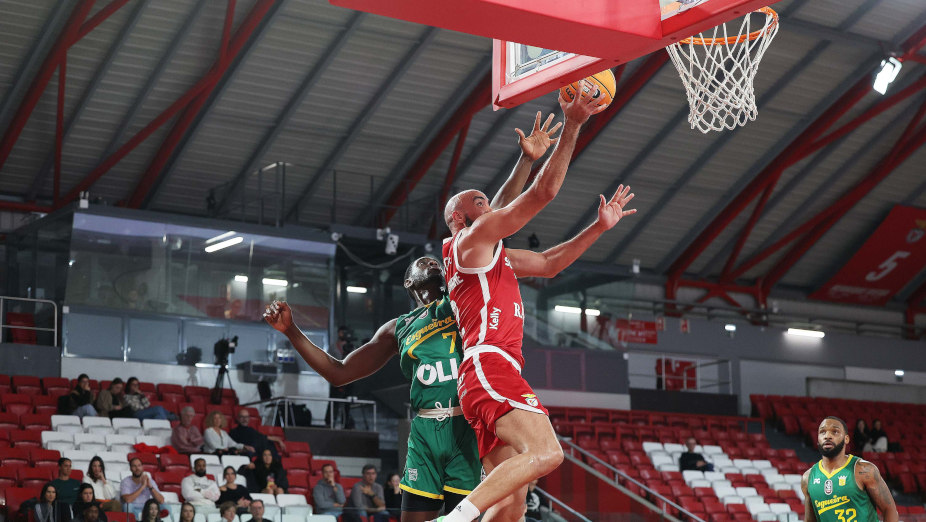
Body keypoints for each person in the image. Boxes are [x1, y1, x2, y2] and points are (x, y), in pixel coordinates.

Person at [263, 110, 561, 522]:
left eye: (433, 261)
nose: (430, 263)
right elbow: (340, 373)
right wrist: (292, 331)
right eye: (421, 263)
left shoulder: (462, 298)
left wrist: (525, 162)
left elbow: (492, 223)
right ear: (408, 282)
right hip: (423, 429)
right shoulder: (398, 327)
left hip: (465, 425)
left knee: (486, 513)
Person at [436, 89, 630, 522]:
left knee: (511, 503)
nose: (486, 202)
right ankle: (455, 519)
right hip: (489, 366)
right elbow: (540, 195)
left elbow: (548, 263)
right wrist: (574, 124)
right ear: (458, 218)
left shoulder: (490, 253)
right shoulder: (468, 245)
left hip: (485, 375)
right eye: (476, 200)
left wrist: (598, 228)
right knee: (547, 452)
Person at [802, 416, 897, 522]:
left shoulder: (864, 470)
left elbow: (889, 509)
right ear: (818, 439)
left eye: (835, 432)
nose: (827, 436)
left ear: (846, 439)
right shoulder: (808, 477)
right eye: (822, 432)